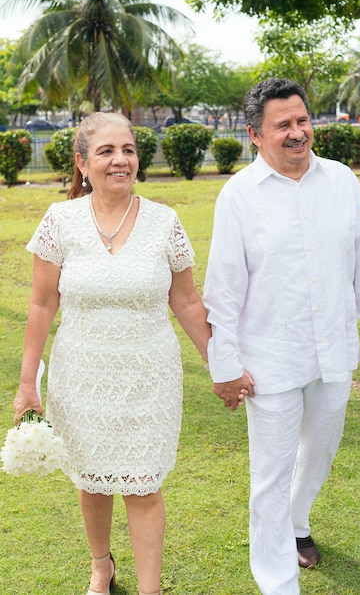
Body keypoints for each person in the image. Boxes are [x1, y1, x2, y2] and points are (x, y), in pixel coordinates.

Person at [203, 78, 360, 595]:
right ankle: (277, 581)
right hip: (269, 361)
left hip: (333, 351)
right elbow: (222, 291)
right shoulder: (238, 195)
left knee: (319, 454)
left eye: (302, 120)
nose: (297, 132)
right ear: (255, 135)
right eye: (282, 125)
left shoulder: (339, 181)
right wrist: (223, 366)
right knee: (270, 473)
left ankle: (297, 521)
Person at [13, 112, 212, 595]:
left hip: (149, 378)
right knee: (94, 481)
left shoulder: (165, 221)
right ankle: (101, 565)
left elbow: (185, 300)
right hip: (81, 376)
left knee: (144, 484)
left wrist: (220, 363)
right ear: (82, 163)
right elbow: (41, 304)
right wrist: (26, 383)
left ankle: (151, 590)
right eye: (106, 151)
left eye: (128, 150)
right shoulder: (59, 221)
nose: (120, 160)